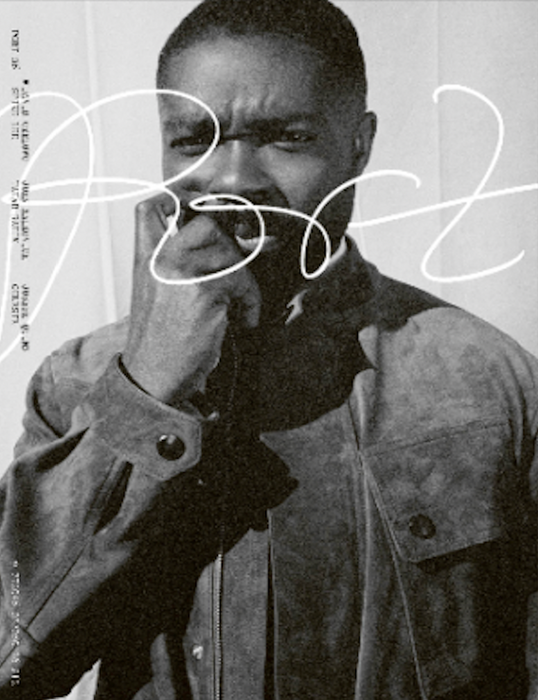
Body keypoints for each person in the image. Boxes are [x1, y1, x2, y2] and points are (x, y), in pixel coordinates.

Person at [0, 0, 537, 698]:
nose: (231, 180)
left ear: (360, 144)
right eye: (192, 139)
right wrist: (149, 390)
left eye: (286, 138)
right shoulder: (78, 383)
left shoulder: (489, 380)